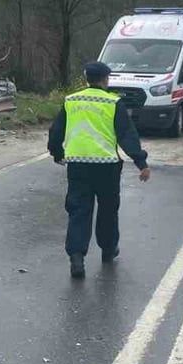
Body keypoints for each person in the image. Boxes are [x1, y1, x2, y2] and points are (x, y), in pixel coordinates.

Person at [47, 62, 151, 279]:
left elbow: (56, 131)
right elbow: (127, 135)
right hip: (106, 166)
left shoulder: (71, 100)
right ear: (106, 80)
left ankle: (76, 256)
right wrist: (141, 162)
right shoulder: (113, 103)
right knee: (108, 210)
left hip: (78, 165)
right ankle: (108, 249)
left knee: (78, 210)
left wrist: (57, 153)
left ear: (86, 78)